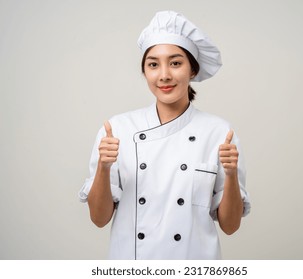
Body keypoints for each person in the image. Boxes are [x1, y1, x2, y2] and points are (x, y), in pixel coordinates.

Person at [79, 10, 250, 260]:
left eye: (176, 62)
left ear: (192, 70)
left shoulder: (219, 133)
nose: (164, 75)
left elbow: (231, 226)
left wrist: (232, 175)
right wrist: (104, 168)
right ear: (145, 71)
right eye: (153, 65)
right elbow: (99, 219)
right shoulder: (118, 130)